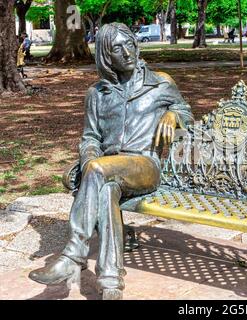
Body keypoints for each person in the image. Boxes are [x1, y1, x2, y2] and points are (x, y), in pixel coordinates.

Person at [28, 22, 194, 300]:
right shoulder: (97, 94)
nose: (127, 52)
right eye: (117, 48)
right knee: (105, 192)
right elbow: (90, 138)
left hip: (144, 166)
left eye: (129, 44)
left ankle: (73, 254)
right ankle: (110, 281)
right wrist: (90, 160)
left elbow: (187, 119)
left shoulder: (161, 82)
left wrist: (174, 115)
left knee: (97, 172)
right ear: (106, 56)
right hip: (106, 172)